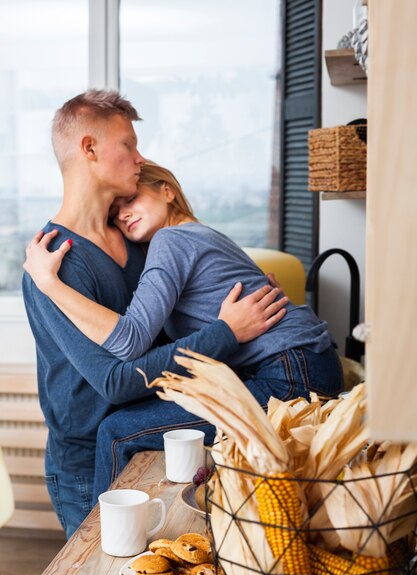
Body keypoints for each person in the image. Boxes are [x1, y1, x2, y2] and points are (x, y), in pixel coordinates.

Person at [22, 90, 288, 539]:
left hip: (156, 433)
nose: (139, 156)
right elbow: (117, 380)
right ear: (90, 149)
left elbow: (171, 321)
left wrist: (245, 291)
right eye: (128, 144)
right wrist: (228, 332)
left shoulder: (141, 238)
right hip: (89, 460)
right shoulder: (51, 264)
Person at [24, 160, 344, 503]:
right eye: (115, 214)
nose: (122, 216)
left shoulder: (170, 240)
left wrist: (49, 283)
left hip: (290, 375)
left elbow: (129, 338)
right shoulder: (201, 236)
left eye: (130, 201)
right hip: (306, 365)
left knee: (116, 432)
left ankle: (104, 544)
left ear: (167, 190)